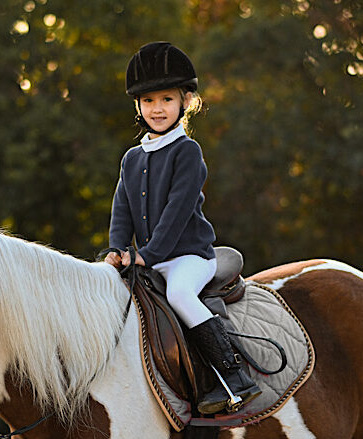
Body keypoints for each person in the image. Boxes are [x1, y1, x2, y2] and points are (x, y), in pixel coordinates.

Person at [105, 42, 261, 415]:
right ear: (138, 106)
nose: (157, 108)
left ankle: (232, 375)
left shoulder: (187, 152)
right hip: (151, 258)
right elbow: (122, 207)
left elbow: (177, 212)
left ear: (186, 101)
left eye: (166, 99)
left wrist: (147, 254)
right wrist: (115, 247)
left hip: (189, 257)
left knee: (179, 296)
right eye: (148, 100)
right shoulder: (132, 158)